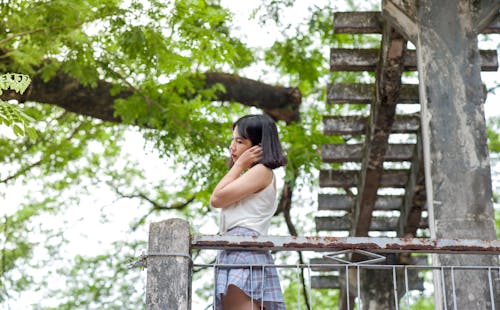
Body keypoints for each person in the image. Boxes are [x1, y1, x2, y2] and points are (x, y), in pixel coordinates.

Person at [210, 114, 287, 310]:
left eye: (239, 141)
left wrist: (238, 165)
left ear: (257, 146)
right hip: (238, 247)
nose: (232, 147)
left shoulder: (262, 171)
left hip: (243, 247)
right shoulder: (255, 174)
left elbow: (217, 199)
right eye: (232, 140)